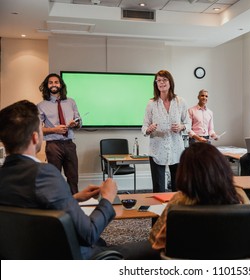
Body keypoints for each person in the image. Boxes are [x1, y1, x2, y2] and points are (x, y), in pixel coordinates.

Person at [0, 100, 160, 260]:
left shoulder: (6, 176)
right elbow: (89, 233)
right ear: (35, 137)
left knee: (101, 241)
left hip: (31, 255)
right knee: (158, 245)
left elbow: (34, 208)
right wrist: (107, 198)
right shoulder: (44, 174)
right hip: (73, 257)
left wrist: (73, 198)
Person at [149, 142, 250, 251]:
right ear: (222, 167)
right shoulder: (239, 195)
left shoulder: (179, 200)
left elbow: (155, 240)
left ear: (184, 173)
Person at [142, 70, 190, 193]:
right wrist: (148, 129)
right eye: (158, 80)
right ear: (156, 84)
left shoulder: (180, 102)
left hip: (176, 149)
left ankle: (178, 211)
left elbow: (188, 123)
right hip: (157, 150)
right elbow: (144, 126)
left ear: (170, 82)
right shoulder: (151, 103)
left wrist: (181, 127)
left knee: (178, 187)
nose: (161, 83)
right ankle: (158, 211)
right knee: (158, 188)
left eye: (164, 80)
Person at [37, 73, 81, 194]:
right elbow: (37, 129)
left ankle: (75, 206)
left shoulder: (71, 102)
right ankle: (55, 207)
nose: (53, 84)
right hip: (53, 146)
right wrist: (53, 130)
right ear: (47, 86)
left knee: (73, 178)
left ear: (61, 85)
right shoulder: (41, 105)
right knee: (54, 179)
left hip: (70, 144)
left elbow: (79, 122)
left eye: (56, 82)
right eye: (50, 82)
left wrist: (75, 124)